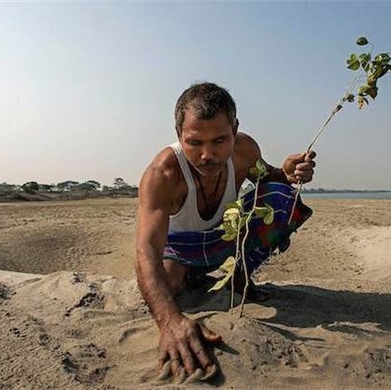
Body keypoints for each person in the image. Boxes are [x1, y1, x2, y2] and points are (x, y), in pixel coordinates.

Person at [135, 82, 316, 382]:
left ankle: (239, 277)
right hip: (179, 248)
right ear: (179, 134)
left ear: (235, 129)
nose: (208, 155)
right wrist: (169, 322)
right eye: (195, 143)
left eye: (220, 140)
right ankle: (191, 275)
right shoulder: (162, 174)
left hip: (225, 238)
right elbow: (146, 249)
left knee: (282, 196)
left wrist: (285, 173)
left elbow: (266, 176)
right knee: (166, 287)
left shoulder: (245, 150)